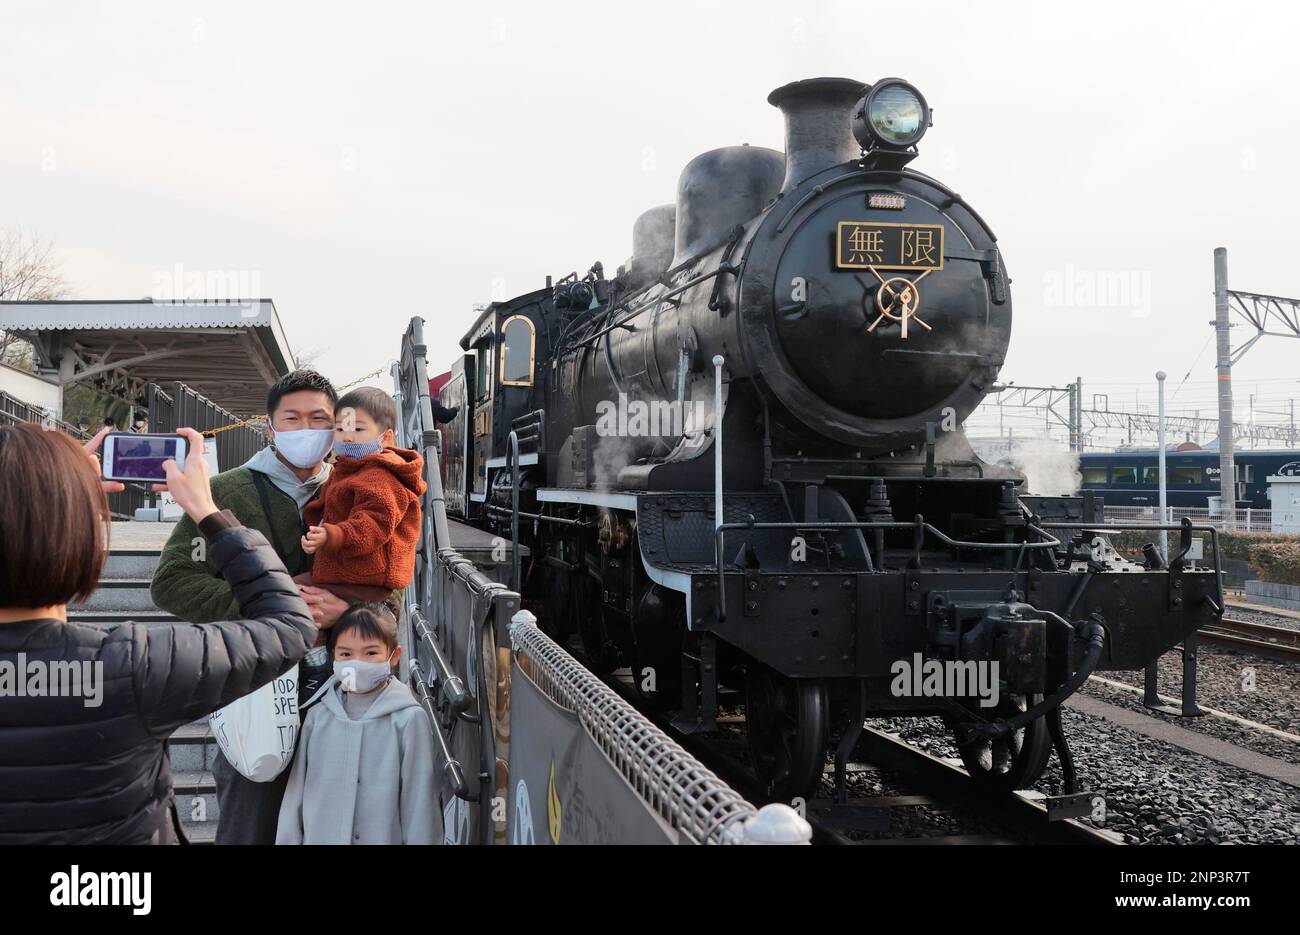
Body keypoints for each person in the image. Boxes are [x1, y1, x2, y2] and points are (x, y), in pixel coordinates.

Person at [0, 424, 317, 844]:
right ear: (81, 536)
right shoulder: (135, 666)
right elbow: (290, 626)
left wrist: (53, 493)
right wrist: (208, 511)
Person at [150, 369, 354, 844]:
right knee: (250, 822)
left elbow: (392, 584)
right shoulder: (226, 491)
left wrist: (346, 609)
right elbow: (172, 581)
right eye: (293, 418)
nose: (307, 430)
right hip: (254, 690)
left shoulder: (359, 491)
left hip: (342, 689)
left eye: (319, 419)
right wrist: (268, 611)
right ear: (270, 426)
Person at [276, 603, 436, 844]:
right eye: (345, 654)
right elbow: (295, 796)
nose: (356, 663)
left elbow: (419, 802)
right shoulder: (318, 717)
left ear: (394, 656)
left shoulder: (409, 719)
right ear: (334, 656)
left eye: (371, 653)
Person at [296, 386, 426, 608]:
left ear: (385, 438)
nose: (346, 438)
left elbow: (373, 524)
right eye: (339, 429)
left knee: (290, 597)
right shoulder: (348, 470)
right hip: (348, 572)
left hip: (365, 578)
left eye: (357, 428)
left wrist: (331, 535)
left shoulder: (380, 476)